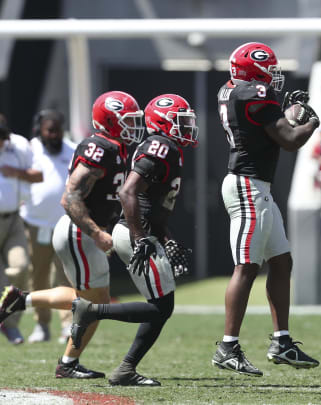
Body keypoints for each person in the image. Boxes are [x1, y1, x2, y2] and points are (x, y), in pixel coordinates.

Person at [0, 91, 144, 377]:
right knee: (95, 302)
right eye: (128, 120)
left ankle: (23, 303)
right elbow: (70, 197)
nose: (134, 126)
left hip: (85, 231)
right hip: (80, 231)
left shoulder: (118, 147)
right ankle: (65, 360)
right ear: (110, 121)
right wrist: (96, 232)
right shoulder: (100, 147)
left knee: (94, 299)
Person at [71, 94, 197, 386]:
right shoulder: (161, 146)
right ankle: (90, 312)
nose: (188, 127)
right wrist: (142, 237)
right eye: (182, 121)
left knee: (161, 306)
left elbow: (152, 201)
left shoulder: (169, 147)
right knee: (161, 307)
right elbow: (128, 192)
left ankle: (126, 368)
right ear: (164, 123)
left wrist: (165, 236)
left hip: (140, 231)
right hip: (133, 232)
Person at [212, 42, 321, 376]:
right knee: (246, 267)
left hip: (257, 186)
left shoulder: (235, 91)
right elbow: (288, 139)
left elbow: (269, 128)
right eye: (267, 71)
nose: (272, 78)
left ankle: (282, 341)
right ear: (253, 72)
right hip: (249, 186)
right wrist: (310, 122)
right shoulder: (254, 92)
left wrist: (288, 117)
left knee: (281, 261)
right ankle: (227, 347)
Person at [20, 109, 76, 343]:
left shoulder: (73, 148)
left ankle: (67, 326)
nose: (53, 135)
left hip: (65, 223)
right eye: (49, 130)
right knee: (39, 276)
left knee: (66, 275)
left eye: (57, 130)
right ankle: (42, 325)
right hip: (36, 223)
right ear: (39, 130)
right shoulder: (29, 149)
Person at [0, 113, 41, 344]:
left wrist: (16, 173)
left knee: (21, 268)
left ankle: (10, 324)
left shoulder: (19, 145)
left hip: (13, 218)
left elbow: (38, 175)